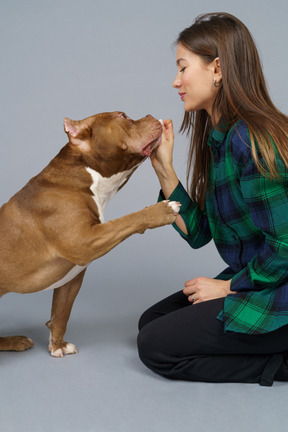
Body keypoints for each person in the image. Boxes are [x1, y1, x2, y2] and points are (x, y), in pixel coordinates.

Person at [137, 12, 288, 386]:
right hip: (264, 277)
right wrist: (164, 169)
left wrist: (228, 287)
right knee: (151, 323)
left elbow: (286, 245)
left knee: (155, 347)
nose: (176, 82)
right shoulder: (222, 139)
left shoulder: (250, 140)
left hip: (280, 286)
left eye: (183, 68)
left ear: (217, 69)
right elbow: (200, 233)